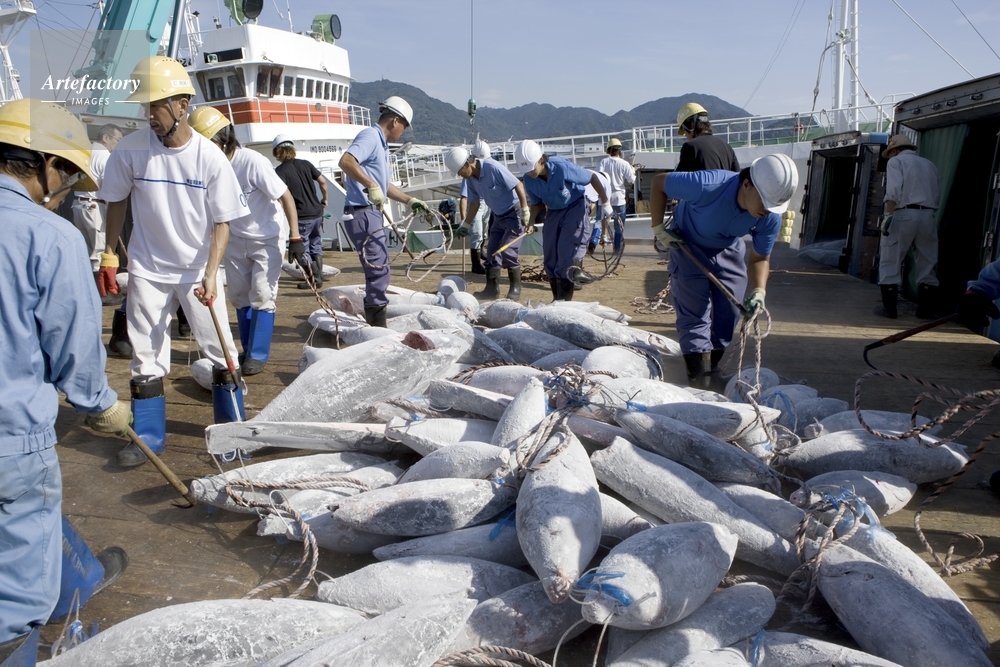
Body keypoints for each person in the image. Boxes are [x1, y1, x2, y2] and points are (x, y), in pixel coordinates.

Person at [0, 98, 131, 662]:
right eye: (69, 177)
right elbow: (73, 348)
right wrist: (100, 404)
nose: (65, 192)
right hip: (10, 438)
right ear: (46, 164)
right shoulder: (49, 235)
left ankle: (74, 578)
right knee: (14, 601)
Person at [97, 56, 250, 467]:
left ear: (182, 105)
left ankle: (232, 432)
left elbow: (223, 222)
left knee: (220, 350)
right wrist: (110, 253)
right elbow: (116, 200)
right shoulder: (130, 150)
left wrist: (211, 274)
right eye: (145, 106)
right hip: (148, 268)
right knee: (145, 353)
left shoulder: (209, 158)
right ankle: (148, 438)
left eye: (157, 106)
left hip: (197, 271)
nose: (149, 115)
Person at [649, 154, 798, 389]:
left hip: (728, 246)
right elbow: (659, 183)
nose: (767, 210)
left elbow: (760, 258)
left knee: (730, 313)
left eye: (773, 206)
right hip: (687, 243)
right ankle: (699, 380)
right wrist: (658, 228)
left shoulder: (769, 217)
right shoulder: (707, 184)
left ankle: (712, 368)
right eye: (764, 202)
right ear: (746, 184)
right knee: (695, 315)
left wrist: (759, 291)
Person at [189, 107, 303, 376]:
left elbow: (285, 196)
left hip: (266, 238)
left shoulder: (252, 162)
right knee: (239, 296)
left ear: (223, 139)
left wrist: (296, 236)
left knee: (262, 294)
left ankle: (258, 354)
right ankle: (248, 348)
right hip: (234, 238)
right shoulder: (208, 167)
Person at [337, 96, 431, 326]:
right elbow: (346, 161)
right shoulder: (371, 136)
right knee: (378, 270)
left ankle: (376, 320)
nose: (403, 132)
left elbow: (384, 185)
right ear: (395, 121)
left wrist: (409, 200)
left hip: (370, 213)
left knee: (379, 268)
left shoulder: (382, 145)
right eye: (404, 127)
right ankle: (377, 326)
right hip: (363, 212)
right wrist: (371, 185)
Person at [516, 139, 612, 302]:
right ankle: (557, 299)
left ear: (541, 159)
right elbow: (537, 203)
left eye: (532, 168)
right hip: (553, 211)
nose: (530, 172)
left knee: (566, 253)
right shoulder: (529, 179)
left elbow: (592, 178)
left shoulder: (561, 167)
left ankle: (564, 302)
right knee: (550, 255)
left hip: (575, 206)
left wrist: (606, 202)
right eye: (526, 170)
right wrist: (531, 222)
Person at [445, 145, 530, 301]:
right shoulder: (470, 179)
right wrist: (465, 224)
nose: (459, 175)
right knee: (491, 252)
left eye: (459, 171)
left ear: (467, 164)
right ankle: (492, 289)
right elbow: (474, 203)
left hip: (514, 213)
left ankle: (515, 288)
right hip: (498, 216)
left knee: (508, 250)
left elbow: (518, 184)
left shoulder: (492, 167)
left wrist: (525, 209)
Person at [875, 133, 941, 320]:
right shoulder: (929, 164)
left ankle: (890, 310)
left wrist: (888, 215)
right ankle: (925, 310)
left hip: (904, 214)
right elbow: (937, 193)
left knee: (891, 259)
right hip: (927, 215)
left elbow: (893, 192)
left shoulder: (895, 162)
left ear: (895, 150)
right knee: (927, 261)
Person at [272, 134, 328, 289]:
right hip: (317, 213)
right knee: (315, 244)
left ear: (277, 152)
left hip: (302, 216)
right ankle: (318, 275)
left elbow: (281, 196)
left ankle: (314, 279)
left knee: (302, 249)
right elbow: (323, 182)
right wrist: (325, 199)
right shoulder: (306, 164)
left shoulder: (280, 171)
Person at [71, 123, 122, 283]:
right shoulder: (105, 156)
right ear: (106, 138)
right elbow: (109, 187)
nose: (119, 144)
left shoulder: (86, 151)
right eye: (118, 140)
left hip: (78, 205)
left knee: (85, 250)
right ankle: (99, 290)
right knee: (99, 252)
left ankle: (85, 285)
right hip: (94, 206)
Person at [458, 138, 493, 275]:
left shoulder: (487, 170)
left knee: (484, 231)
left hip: (487, 203)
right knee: (476, 233)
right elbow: (464, 197)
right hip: (476, 204)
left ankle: (481, 251)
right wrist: (464, 220)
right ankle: (475, 263)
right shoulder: (468, 175)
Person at [594, 138, 635, 252]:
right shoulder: (625, 164)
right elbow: (632, 181)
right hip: (619, 198)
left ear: (609, 150)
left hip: (604, 196)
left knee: (600, 220)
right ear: (620, 150)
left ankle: (594, 241)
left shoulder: (603, 162)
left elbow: (596, 177)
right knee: (619, 225)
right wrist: (633, 171)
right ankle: (617, 249)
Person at [675, 102, 740, 173]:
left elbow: (679, 178)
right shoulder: (727, 147)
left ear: (690, 125)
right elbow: (737, 176)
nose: (685, 135)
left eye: (684, 130)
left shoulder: (690, 147)